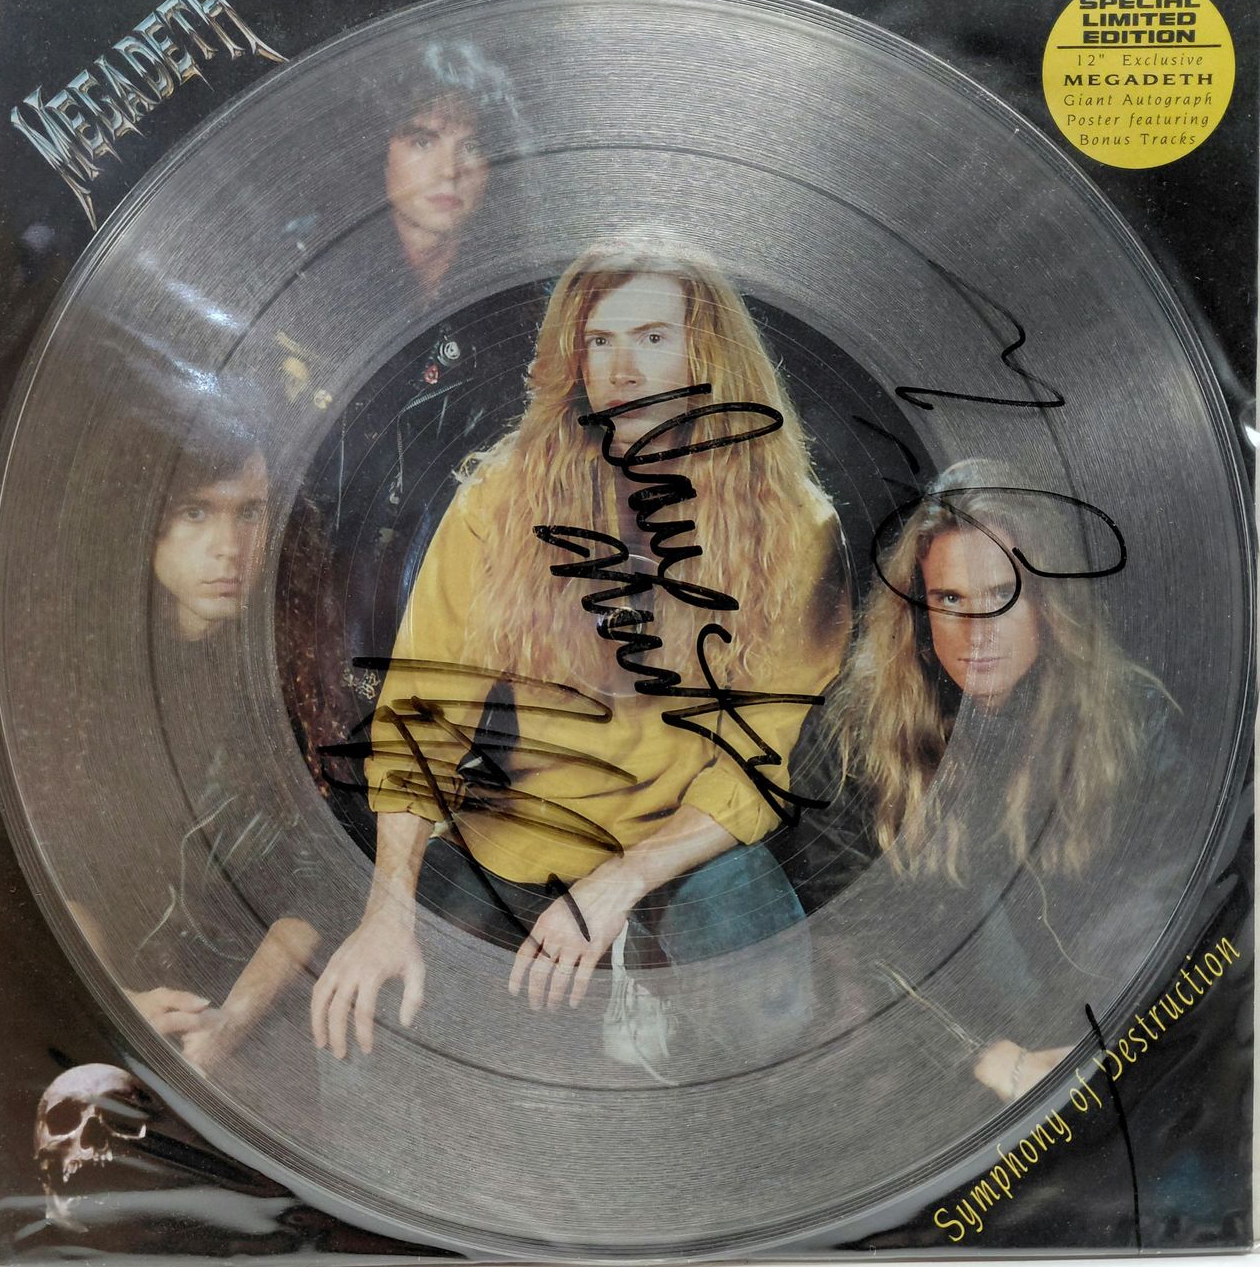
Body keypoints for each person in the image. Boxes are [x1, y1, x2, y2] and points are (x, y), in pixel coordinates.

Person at [310, 236, 849, 1067]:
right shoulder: (501, 497)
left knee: (772, 1019)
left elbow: (755, 761)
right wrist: (387, 912)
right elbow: (421, 713)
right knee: (373, 1025)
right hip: (523, 835)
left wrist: (622, 881)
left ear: (709, 354)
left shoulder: (798, 526)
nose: (623, 370)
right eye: (600, 340)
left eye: (653, 337)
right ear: (576, 359)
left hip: (686, 842)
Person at [799, 458, 1185, 1102]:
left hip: (1118, 1039)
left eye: (1004, 594)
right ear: (918, 613)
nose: (977, 633)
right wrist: (986, 1058)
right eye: (949, 600)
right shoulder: (852, 737)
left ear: (1049, 605)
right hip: (937, 1064)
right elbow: (856, 940)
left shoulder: (1131, 718)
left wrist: (1105, 1043)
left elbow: (1163, 903)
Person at [278, 40, 542, 849]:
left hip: (461, 615)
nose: (449, 168)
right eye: (422, 138)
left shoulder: (522, 303)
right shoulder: (309, 283)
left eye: (472, 145)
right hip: (313, 610)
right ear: (379, 151)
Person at [69, 401, 325, 1079]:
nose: (229, 547)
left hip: (255, 1023)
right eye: (195, 512)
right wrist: (115, 1002)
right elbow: (61, 869)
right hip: (100, 1001)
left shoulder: (294, 671)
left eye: (250, 512)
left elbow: (318, 889)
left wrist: (228, 1024)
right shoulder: (88, 673)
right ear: (144, 523)